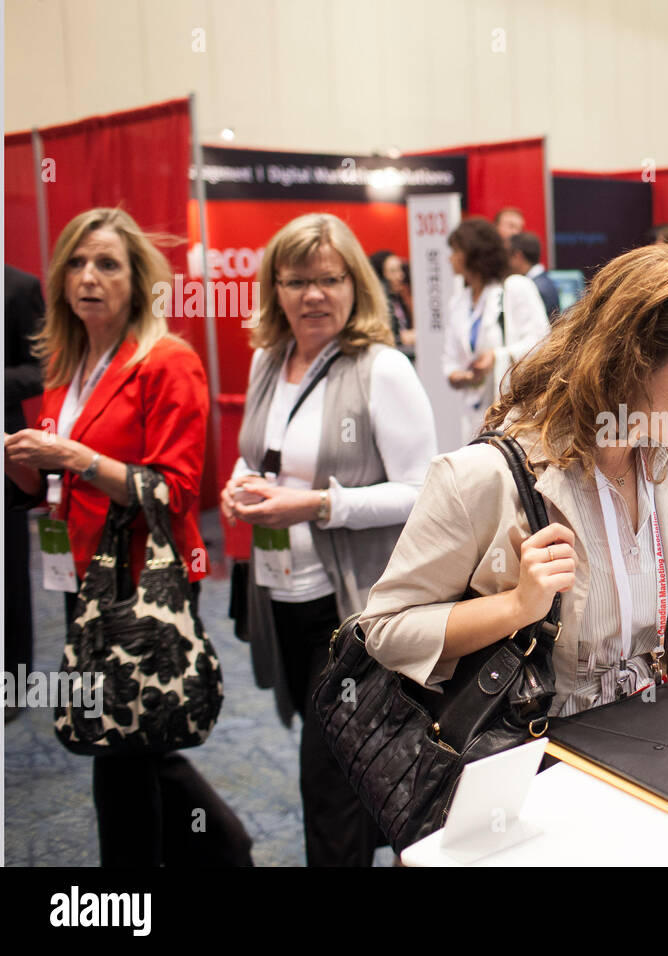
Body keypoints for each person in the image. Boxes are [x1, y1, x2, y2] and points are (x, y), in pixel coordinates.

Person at [360, 244, 668, 733]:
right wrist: (516, 607)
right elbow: (387, 631)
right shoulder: (483, 477)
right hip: (538, 767)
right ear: (631, 362)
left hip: (662, 749)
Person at [3, 207, 252, 867]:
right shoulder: (68, 361)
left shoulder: (168, 362)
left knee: (120, 749)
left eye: (107, 264)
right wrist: (23, 465)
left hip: (143, 579)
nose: (89, 277)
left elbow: (172, 489)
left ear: (137, 281)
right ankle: (225, 850)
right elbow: (51, 488)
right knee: (126, 741)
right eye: (77, 264)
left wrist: (75, 457)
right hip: (77, 576)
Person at [221, 212, 438, 866]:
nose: (313, 294)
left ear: (354, 285)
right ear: (275, 289)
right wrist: (238, 486)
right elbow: (258, 455)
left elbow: (425, 491)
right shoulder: (269, 360)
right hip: (279, 597)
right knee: (345, 768)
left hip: (351, 614)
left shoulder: (381, 369)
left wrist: (320, 506)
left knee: (328, 779)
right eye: (295, 281)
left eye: (329, 279)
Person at [443, 216, 550, 445]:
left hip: (516, 415)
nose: (450, 257)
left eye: (455, 250)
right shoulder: (458, 303)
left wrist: (496, 357)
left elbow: (543, 344)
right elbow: (450, 360)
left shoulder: (515, 288)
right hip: (473, 414)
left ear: (471, 253)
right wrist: (458, 375)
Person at [5, 264, 45, 720]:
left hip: (8, 452)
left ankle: (14, 685)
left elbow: (42, 368)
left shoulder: (17, 287)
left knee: (9, 570)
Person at [368, 249, 414, 354]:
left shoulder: (402, 297)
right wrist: (401, 338)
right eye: (393, 271)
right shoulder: (378, 304)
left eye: (400, 269)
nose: (400, 276)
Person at [508, 230, 561, 320]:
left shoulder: (535, 287)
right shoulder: (542, 282)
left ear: (518, 256)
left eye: (508, 256)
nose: (506, 263)